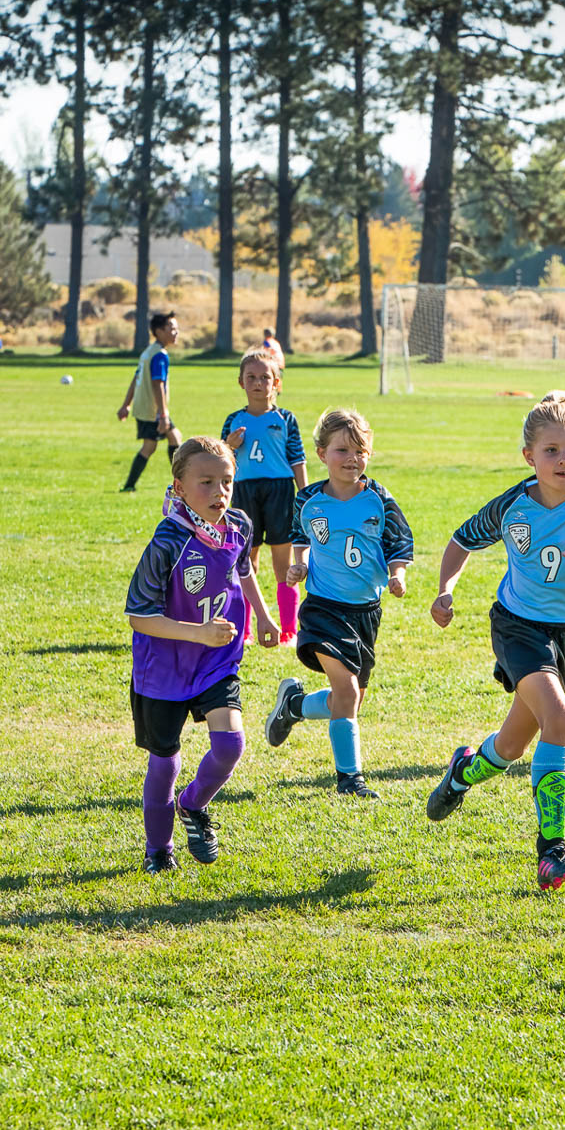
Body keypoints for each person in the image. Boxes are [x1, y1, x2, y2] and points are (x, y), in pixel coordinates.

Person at [422, 391, 565, 891]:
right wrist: (445, 591)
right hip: (516, 626)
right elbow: (462, 539)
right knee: (560, 719)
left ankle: (462, 773)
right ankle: (552, 853)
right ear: (530, 456)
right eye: (551, 451)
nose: (564, 460)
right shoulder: (513, 504)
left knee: (510, 746)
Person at [124, 436, 278, 873]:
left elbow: (241, 570)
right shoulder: (167, 542)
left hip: (216, 659)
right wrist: (200, 632)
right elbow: (139, 616)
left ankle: (192, 805)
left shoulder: (239, 526)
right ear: (179, 487)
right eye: (206, 482)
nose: (219, 492)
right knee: (164, 762)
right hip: (164, 668)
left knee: (230, 745)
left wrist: (263, 617)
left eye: (226, 481)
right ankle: (159, 850)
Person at [260, 408, 411, 799]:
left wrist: (398, 575)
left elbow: (399, 543)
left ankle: (294, 705)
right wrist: (300, 566)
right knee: (346, 692)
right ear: (322, 453)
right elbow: (302, 539)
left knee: (350, 698)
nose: (352, 459)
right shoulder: (309, 500)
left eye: (360, 450)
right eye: (342, 450)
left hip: (366, 612)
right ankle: (350, 779)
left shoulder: (379, 498)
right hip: (324, 608)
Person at [220, 350, 306, 643]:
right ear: (240, 382)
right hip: (245, 491)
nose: (258, 383)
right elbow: (219, 460)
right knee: (246, 561)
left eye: (265, 377)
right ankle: (243, 629)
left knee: (282, 563)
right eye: (251, 377)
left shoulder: (285, 419)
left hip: (280, 490)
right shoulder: (234, 420)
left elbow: (297, 457)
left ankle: (288, 629)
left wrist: (304, 494)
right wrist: (228, 445)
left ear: (276, 383)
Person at [116, 311, 182, 492]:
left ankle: (131, 485)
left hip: (145, 409)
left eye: (176, 328)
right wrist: (163, 414)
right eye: (172, 328)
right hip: (152, 411)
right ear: (159, 331)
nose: (176, 332)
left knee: (168, 440)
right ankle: (181, 484)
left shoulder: (148, 352)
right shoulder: (159, 355)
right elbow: (157, 384)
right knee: (153, 445)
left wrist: (126, 405)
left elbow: (135, 379)